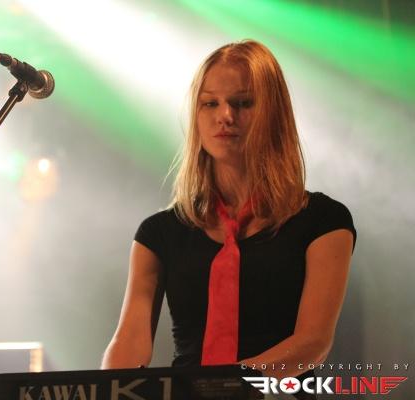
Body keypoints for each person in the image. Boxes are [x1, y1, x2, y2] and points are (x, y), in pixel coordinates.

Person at [101, 39, 356, 385]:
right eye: (210, 103)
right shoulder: (158, 233)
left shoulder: (323, 221)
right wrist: (106, 390)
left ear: (274, 113)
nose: (225, 116)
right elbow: (129, 343)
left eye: (243, 103)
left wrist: (228, 386)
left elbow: (313, 343)